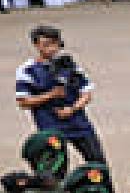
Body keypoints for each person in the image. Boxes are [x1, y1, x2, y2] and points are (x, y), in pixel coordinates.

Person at [13, 24, 103, 164]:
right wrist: (51, 95)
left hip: (78, 123)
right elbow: (23, 101)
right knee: (54, 168)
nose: (52, 49)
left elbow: (86, 93)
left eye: (55, 44)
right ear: (36, 45)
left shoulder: (70, 65)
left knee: (97, 162)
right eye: (46, 45)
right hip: (49, 126)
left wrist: (72, 109)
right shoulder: (28, 70)